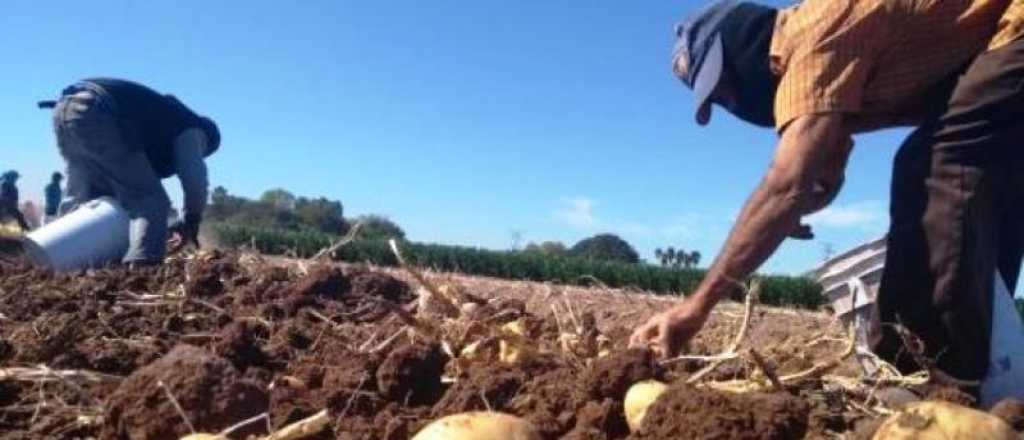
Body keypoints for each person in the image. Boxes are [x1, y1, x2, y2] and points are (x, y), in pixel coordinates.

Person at [630, 0, 1024, 391]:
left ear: (745, 43)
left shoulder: (810, 39)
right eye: (722, 100)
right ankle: (998, 376)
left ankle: (934, 381)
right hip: (1000, 58)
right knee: (985, 182)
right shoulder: (825, 73)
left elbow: (786, 184)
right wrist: (803, 199)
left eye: (728, 86)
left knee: (931, 165)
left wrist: (693, 309)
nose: (736, 104)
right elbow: (821, 170)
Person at [49, 78, 221, 265]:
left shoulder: (162, 120)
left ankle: (50, 255)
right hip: (99, 112)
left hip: (66, 109)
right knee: (150, 201)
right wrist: (192, 219)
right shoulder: (193, 129)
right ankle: (142, 267)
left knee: (81, 195)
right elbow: (194, 180)